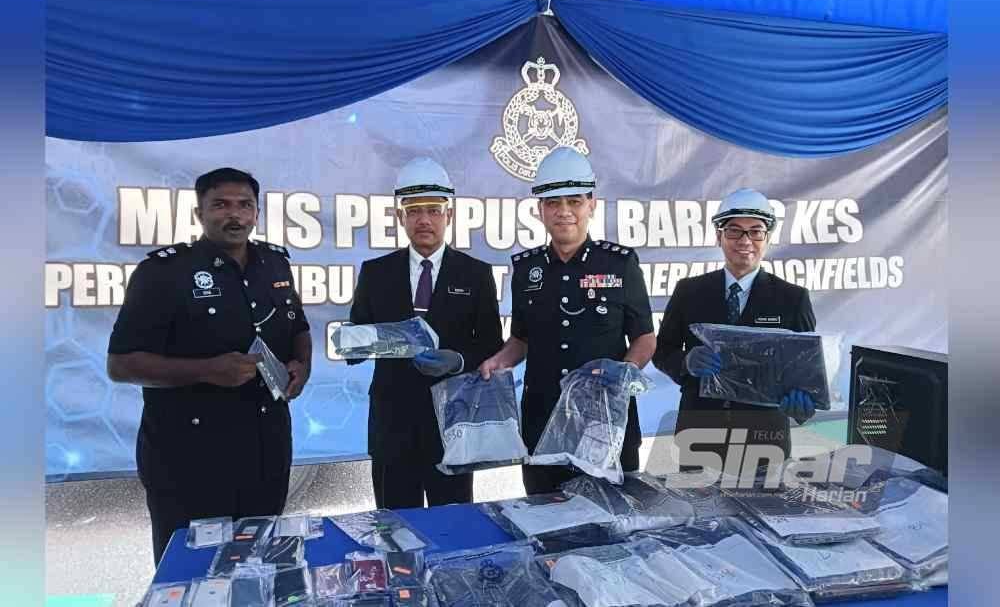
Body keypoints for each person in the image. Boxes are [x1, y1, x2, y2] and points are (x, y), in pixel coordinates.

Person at [106, 167, 311, 565]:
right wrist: (207, 370)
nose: (234, 214)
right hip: (189, 458)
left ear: (256, 213)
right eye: (221, 205)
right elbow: (121, 364)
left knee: (258, 567)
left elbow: (298, 326)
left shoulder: (274, 264)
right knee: (192, 573)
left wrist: (302, 365)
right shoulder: (164, 272)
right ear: (199, 213)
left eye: (245, 205)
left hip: (266, 451)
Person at [479, 147, 657, 494]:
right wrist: (499, 361)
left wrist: (624, 371)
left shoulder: (619, 264)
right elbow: (521, 338)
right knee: (544, 518)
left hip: (605, 425)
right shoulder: (526, 269)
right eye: (553, 203)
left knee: (612, 521)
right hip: (543, 425)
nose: (564, 212)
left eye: (574, 201)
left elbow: (645, 338)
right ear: (540, 210)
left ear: (591, 204)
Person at [348, 157, 503, 509]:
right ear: (400, 216)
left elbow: (491, 345)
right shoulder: (376, 273)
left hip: (452, 425)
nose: (424, 220)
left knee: (453, 523)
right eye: (414, 211)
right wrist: (354, 343)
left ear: (449, 215)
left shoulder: (475, 274)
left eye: (433, 210)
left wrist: (458, 360)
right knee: (395, 525)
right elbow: (358, 338)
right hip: (392, 425)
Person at [652, 188, 816, 470]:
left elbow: (806, 370)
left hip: (765, 441)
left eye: (756, 231)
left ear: (768, 238)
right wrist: (686, 361)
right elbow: (662, 350)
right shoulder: (689, 291)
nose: (745, 241)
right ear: (719, 236)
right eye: (734, 231)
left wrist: (803, 404)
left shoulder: (792, 299)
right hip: (698, 436)